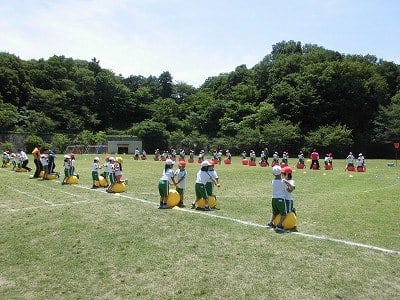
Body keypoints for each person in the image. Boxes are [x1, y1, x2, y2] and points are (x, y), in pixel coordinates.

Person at [267, 166, 287, 232]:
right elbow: (287, 189)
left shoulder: (273, 181)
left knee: (274, 212)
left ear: (273, 174)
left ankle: (270, 222)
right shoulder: (283, 181)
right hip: (280, 199)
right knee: (284, 213)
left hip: (274, 199)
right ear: (281, 172)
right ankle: (279, 225)